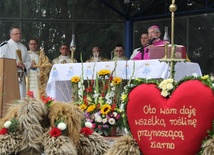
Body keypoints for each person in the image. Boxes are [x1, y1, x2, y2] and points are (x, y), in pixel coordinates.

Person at [0, 26, 31, 99]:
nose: (19, 35)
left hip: (20, 76)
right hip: (9, 76)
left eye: (20, 34)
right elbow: (1, 60)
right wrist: (14, 64)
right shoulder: (5, 46)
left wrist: (24, 65)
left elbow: (28, 61)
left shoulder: (23, 47)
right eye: (16, 34)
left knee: (21, 96)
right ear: (11, 35)